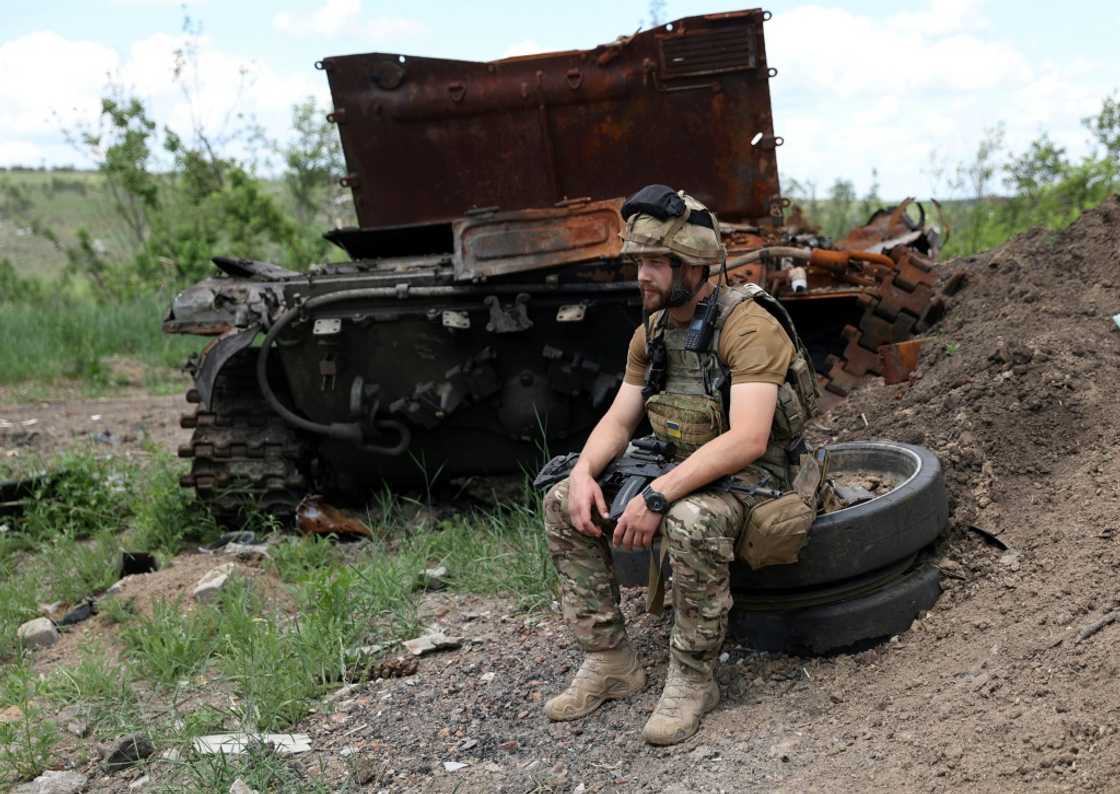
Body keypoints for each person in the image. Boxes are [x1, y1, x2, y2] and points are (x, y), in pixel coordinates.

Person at [542, 184, 817, 746]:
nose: (641, 275)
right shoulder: (653, 331)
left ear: (693, 266)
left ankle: (693, 678)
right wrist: (582, 474)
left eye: (654, 263)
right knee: (559, 501)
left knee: (690, 520)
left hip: (753, 477)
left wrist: (658, 496)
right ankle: (610, 662)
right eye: (638, 261)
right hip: (680, 465)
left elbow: (748, 438)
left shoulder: (746, 326)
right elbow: (620, 421)